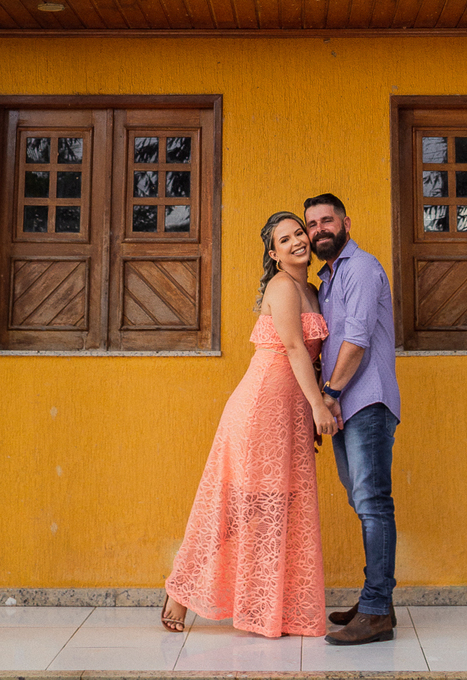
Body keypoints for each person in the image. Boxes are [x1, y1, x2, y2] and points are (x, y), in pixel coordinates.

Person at [161, 212, 337, 639]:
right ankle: (179, 593)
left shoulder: (311, 289)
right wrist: (318, 406)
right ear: (274, 255)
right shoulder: (282, 287)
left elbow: (312, 359)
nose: (297, 241)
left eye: (300, 233)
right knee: (239, 506)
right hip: (261, 407)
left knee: (280, 505)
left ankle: (275, 607)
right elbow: (295, 347)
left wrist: (308, 411)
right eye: (286, 239)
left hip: (290, 412)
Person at [304, 192, 400, 646]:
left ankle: (378, 610)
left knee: (373, 503)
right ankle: (375, 599)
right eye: (312, 224)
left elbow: (357, 340)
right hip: (346, 404)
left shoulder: (360, 268)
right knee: (363, 502)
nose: (319, 229)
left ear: (346, 221)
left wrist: (329, 395)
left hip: (367, 402)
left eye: (327, 220)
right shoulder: (327, 279)